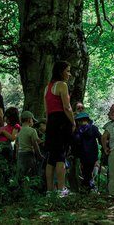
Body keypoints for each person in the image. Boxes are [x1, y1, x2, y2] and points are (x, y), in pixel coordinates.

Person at [45, 60, 76, 196]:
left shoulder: (47, 87)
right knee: (61, 156)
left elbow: (46, 111)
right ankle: (61, 189)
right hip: (61, 121)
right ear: (60, 71)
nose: (69, 74)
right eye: (68, 71)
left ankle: (49, 190)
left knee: (51, 157)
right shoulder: (62, 85)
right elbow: (67, 107)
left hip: (51, 122)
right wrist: (73, 122)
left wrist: (48, 124)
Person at [72, 112, 103, 191]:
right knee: (89, 171)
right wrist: (104, 147)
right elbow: (100, 138)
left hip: (82, 155)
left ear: (78, 121)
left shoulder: (77, 131)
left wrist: (74, 153)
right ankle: (89, 186)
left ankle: (87, 186)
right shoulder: (94, 128)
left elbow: (75, 143)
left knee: (85, 171)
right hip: (93, 154)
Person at [17, 110, 43, 180]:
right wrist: (39, 155)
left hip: (20, 154)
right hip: (29, 155)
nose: (33, 122)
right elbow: (35, 144)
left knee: (22, 174)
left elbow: (17, 144)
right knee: (31, 174)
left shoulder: (19, 130)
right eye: (32, 120)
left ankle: (22, 189)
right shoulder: (32, 130)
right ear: (29, 119)